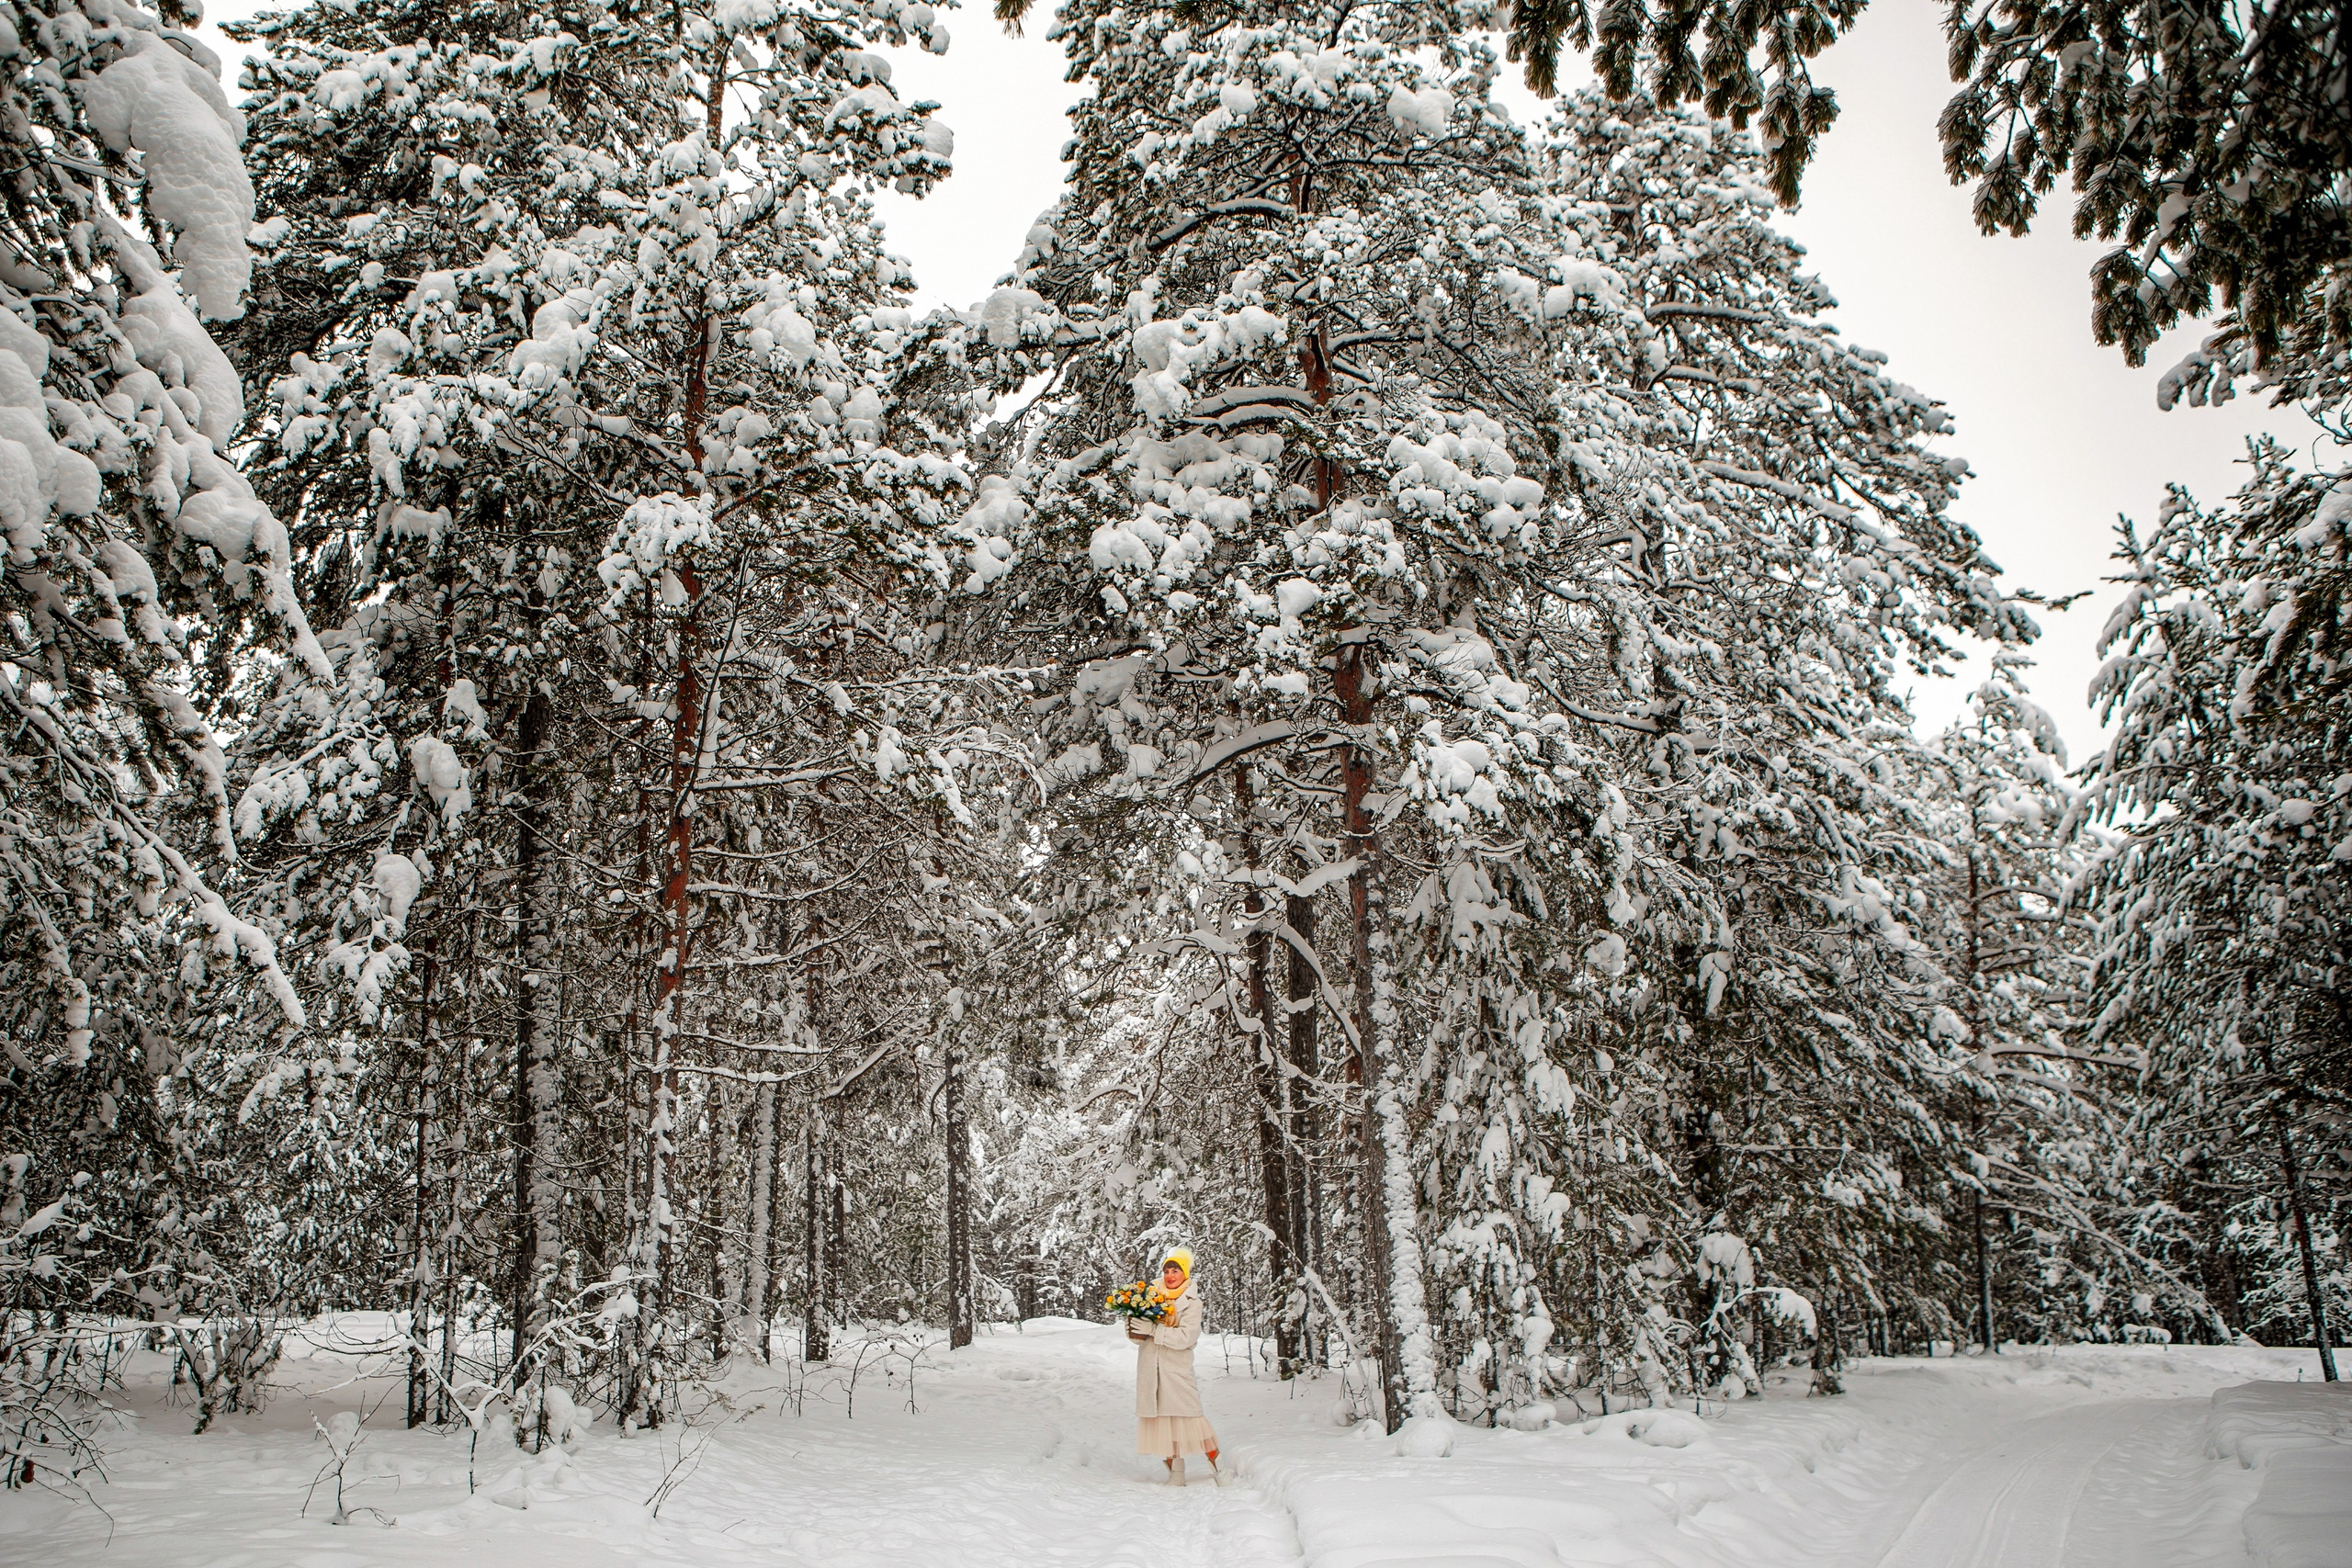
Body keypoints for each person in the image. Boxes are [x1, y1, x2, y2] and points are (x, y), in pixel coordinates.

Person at [1130, 1247, 1220, 1484]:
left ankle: (1219, 1466)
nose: (1170, 1276)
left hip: (1176, 1368)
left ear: (1185, 1274)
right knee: (1163, 1421)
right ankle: (1177, 1472)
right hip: (1151, 1367)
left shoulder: (1192, 1301)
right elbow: (1137, 1337)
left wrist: (1154, 1330)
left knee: (1191, 1417)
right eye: (1167, 1270)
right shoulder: (1150, 1296)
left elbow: (1186, 1337)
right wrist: (1134, 1325)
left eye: (1176, 1271)